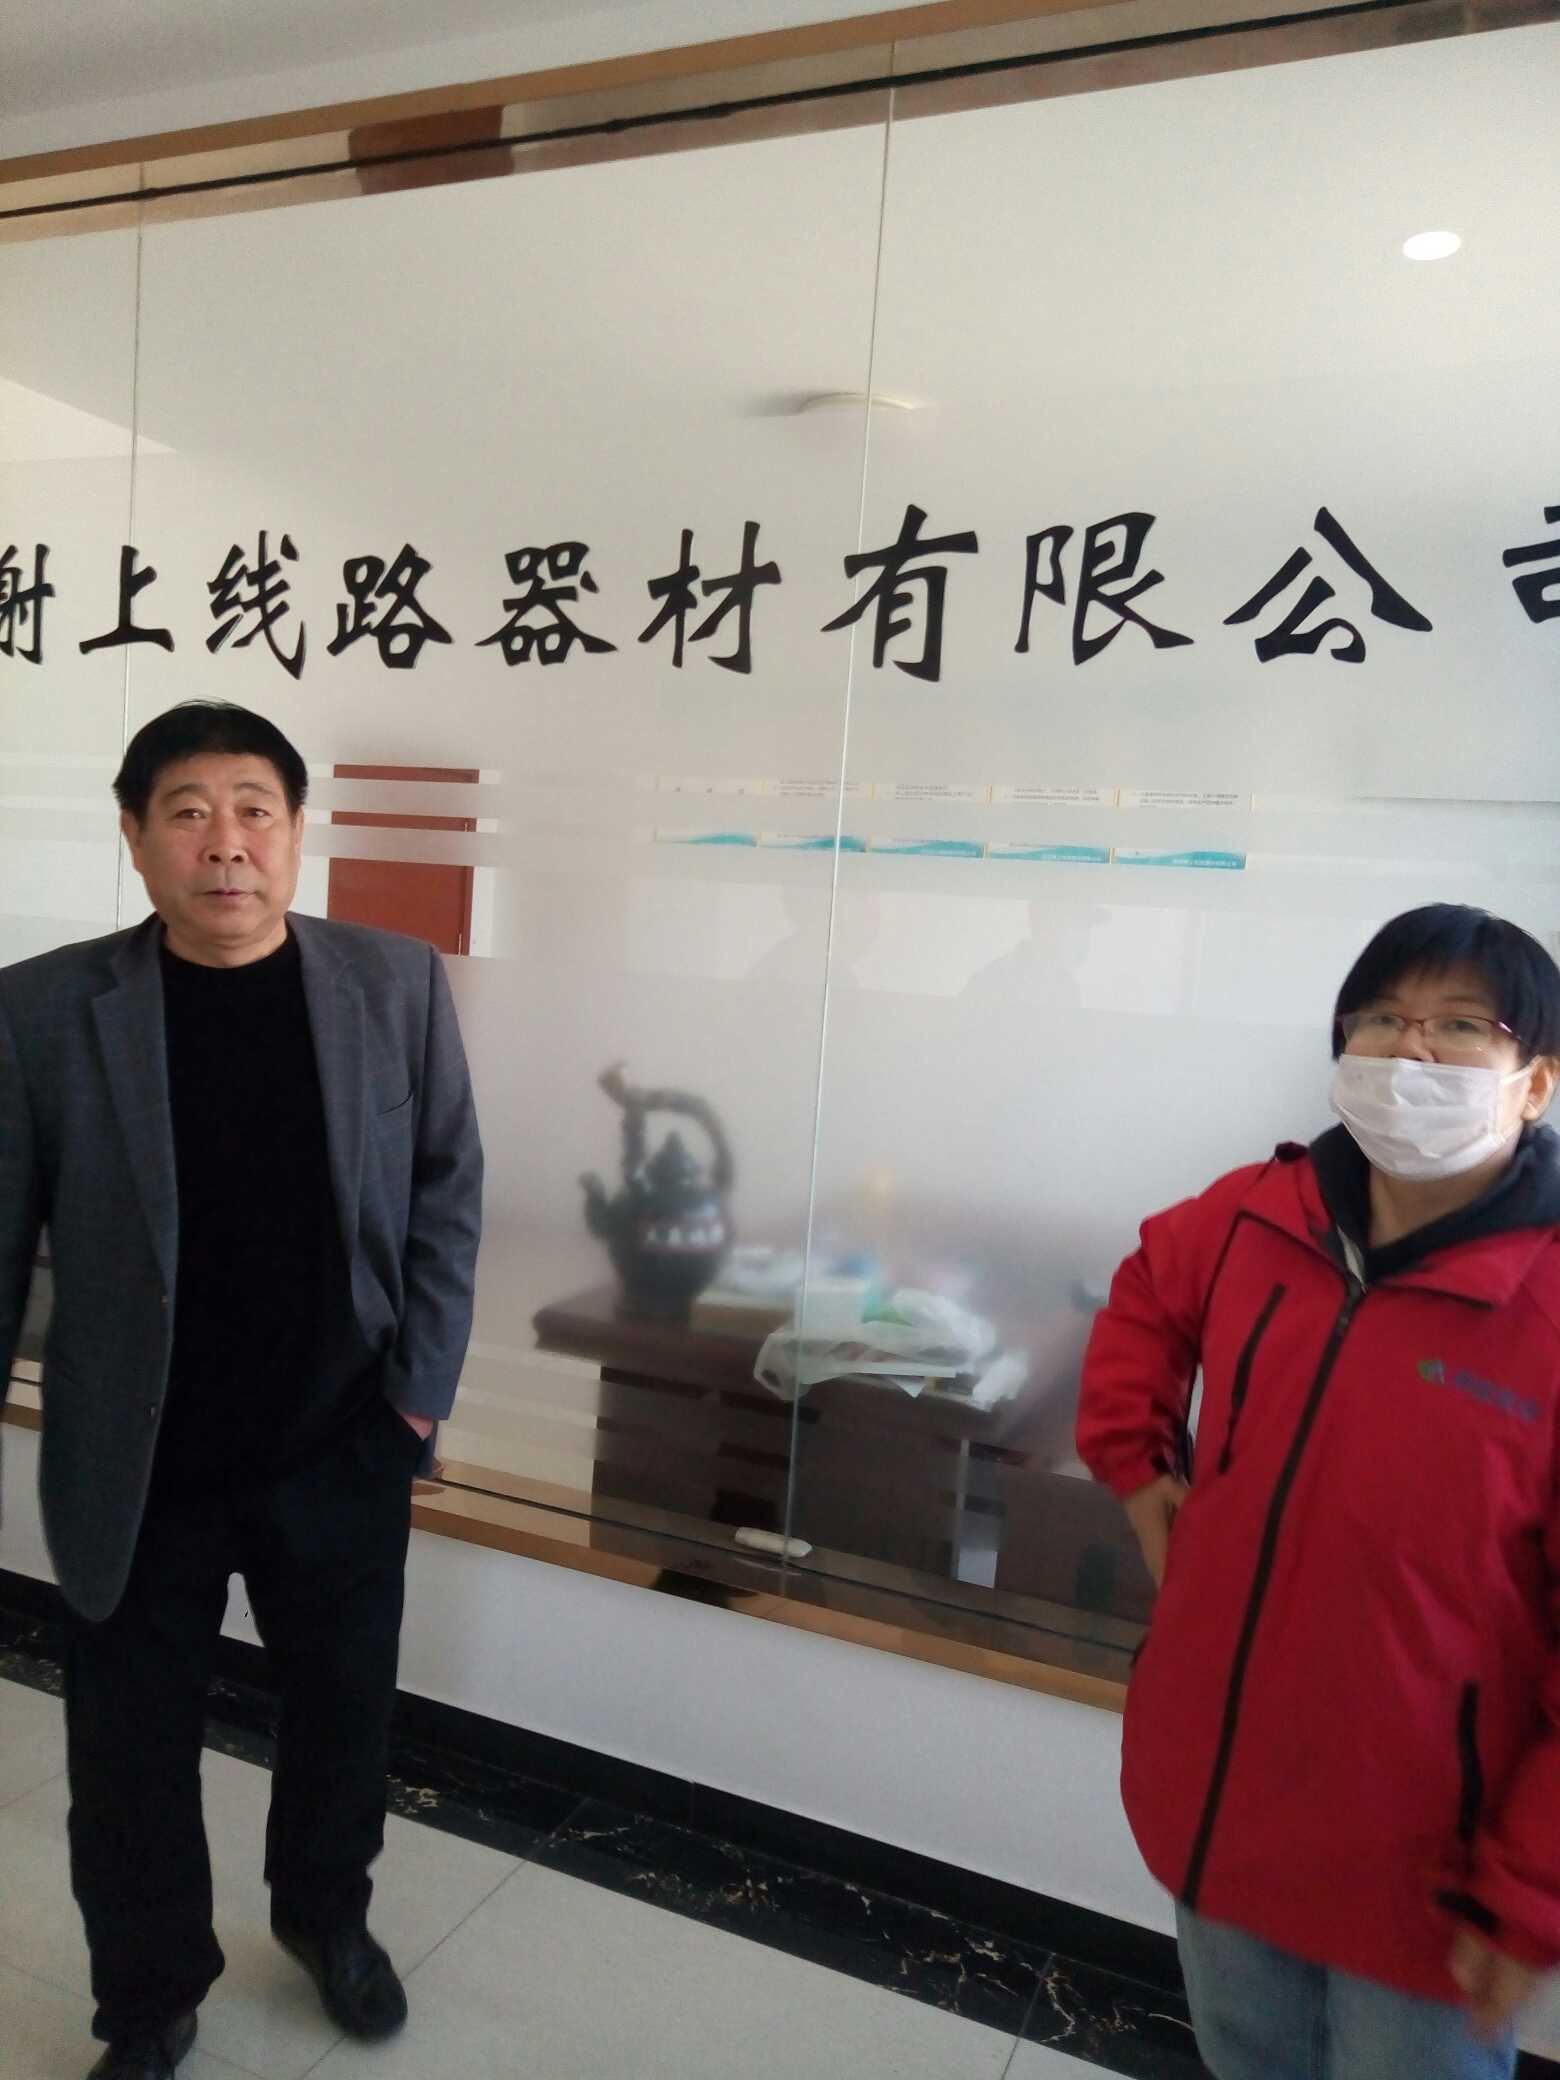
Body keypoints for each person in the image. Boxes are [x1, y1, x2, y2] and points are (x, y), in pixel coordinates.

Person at [0, 701, 483, 2080]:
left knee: (342, 1715)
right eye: (189, 812)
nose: (227, 843)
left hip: (339, 1440)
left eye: (254, 809)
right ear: (136, 838)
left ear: (296, 829)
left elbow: (448, 1191)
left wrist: (414, 1403)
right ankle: (148, 1997)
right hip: (137, 1461)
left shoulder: (394, 986)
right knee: (127, 1753)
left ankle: (327, 1917)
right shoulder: (42, 1011)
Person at [1077, 903, 1560, 2080]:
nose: (1411, 1048)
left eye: (1461, 1025)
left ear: (1537, 1083)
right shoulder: (1261, 1211)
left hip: (1428, 1886)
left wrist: (1531, 1891)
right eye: (1382, 1017)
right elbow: (1146, 1291)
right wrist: (1139, 1469)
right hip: (1221, 1811)